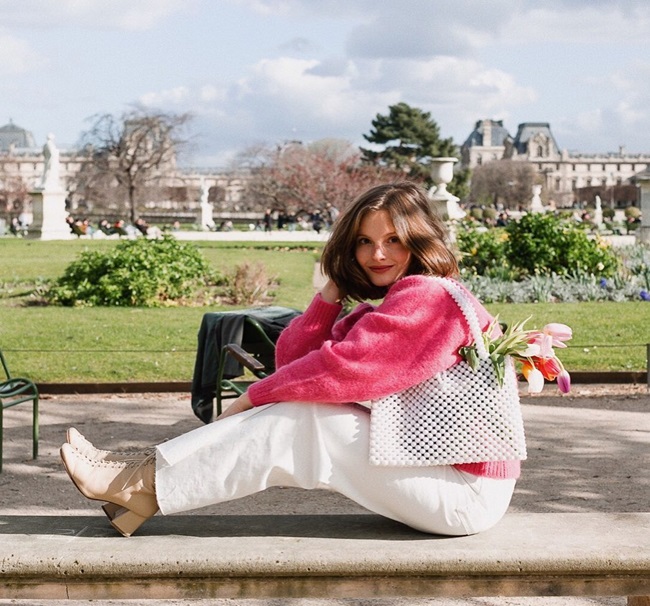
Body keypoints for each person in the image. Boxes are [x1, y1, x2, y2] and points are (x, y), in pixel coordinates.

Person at [60, 182, 522, 538]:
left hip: (465, 492)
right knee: (304, 408)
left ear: (419, 241)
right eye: (363, 242)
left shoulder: (429, 298)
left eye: (394, 240)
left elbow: (344, 370)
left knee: (307, 421)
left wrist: (251, 397)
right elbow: (295, 362)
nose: (377, 254)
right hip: (436, 474)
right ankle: (140, 480)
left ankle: (139, 482)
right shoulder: (393, 303)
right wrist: (330, 294)